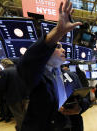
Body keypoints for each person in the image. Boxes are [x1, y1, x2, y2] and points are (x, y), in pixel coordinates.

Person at [15, 1, 90, 131]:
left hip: (72, 126)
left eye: (63, 47)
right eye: (57, 47)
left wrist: (80, 107)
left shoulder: (72, 76)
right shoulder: (35, 75)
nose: (63, 50)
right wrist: (57, 33)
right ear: (46, 51)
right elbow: (27, 62)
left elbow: (85, 100)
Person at [0, 58, 29, 131]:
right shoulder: (20, 70)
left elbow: (0, 86)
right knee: (25, 115)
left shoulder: (3, 72)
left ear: (3, 64)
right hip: (25, 96)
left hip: (13, 98)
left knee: (19, 116)